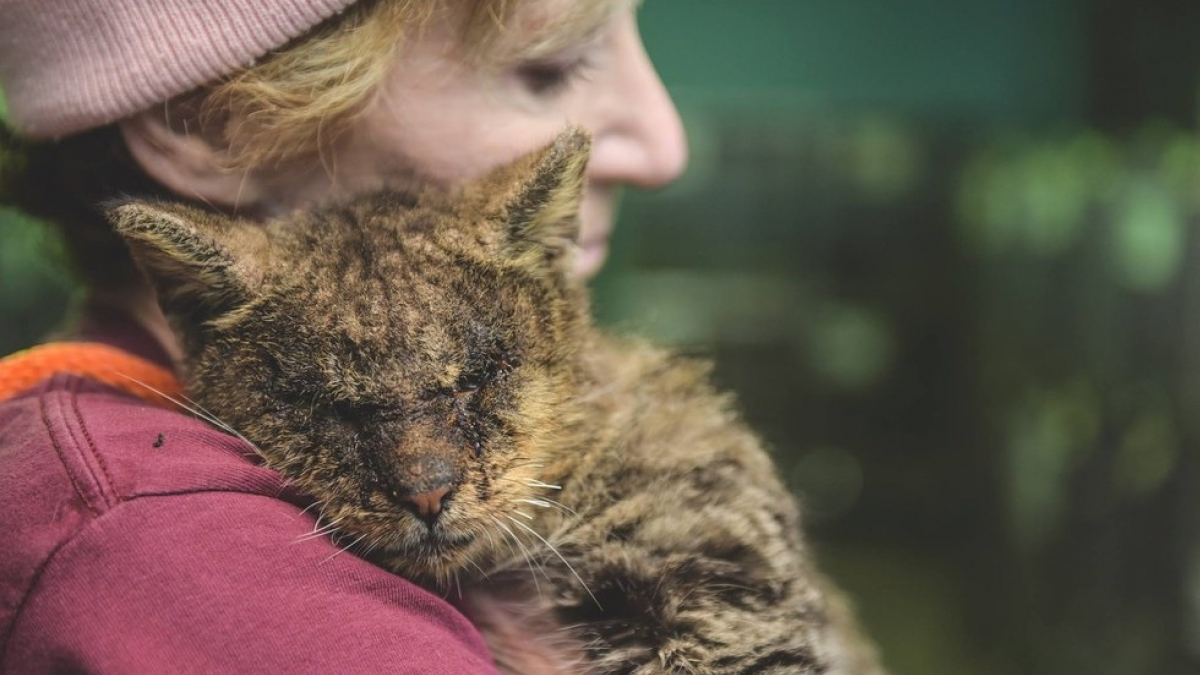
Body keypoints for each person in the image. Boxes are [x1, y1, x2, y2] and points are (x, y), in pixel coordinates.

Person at [0, 0, 687, 671]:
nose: (665, 146)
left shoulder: (83, 436)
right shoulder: (181, 558)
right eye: (549, 70)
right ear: (210, 123)